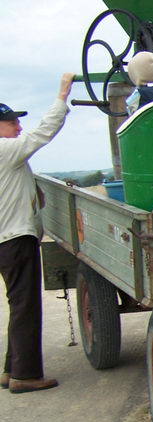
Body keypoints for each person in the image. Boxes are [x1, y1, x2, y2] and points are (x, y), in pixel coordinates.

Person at [0, 73, 74, 393]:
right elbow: (43, 134)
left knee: (18, 304)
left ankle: (10, 370)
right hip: (15, 238)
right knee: (25, 306)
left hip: (7, 238)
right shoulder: (5, 150)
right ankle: (26, 376)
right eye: (11, 122)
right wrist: (62, 95)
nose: (17, 127)